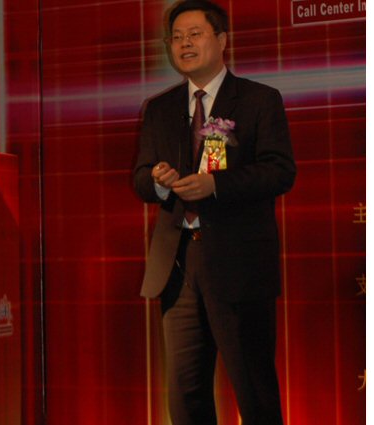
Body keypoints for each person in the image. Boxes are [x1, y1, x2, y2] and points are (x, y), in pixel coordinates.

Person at [133, 1, 296, 424]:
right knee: (185, 395)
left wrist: (215, 185)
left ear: (221, 40)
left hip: (239, 264)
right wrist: (158, 180)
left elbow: (279, 171)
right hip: (178, 265)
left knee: (254, 390)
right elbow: (140, 178)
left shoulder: (259, 100)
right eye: (176, 38)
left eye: (195, 34)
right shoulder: (159, 108)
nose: (184, 44)